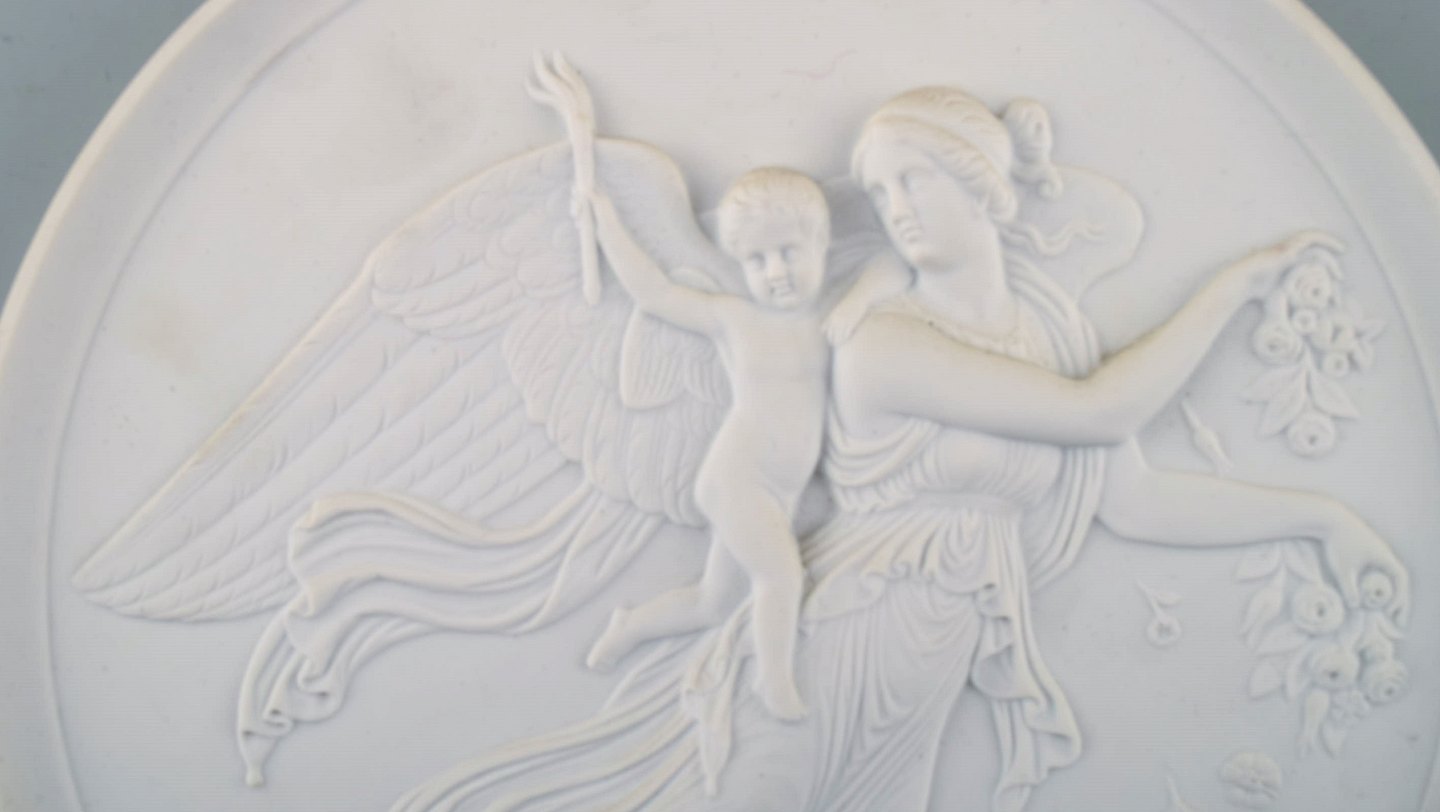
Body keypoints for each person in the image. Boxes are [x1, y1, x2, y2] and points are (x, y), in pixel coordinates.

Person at [392, 86, 1408, 812]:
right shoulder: (885, 345)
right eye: (881, 195)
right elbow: (1102, 411)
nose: (899, 211)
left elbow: (1135, 502)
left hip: (928, 675)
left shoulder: (1044, 336)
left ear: (985, 185)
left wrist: (1322, 516)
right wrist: (1231, 291)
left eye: (914, 179)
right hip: (843, 641)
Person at [582, 166, 904, 720]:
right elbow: (654, 293)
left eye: (787, 252)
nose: (774, 272)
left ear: (822, 242)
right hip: (738, 479)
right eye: (756, 260)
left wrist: (858, 302)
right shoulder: (735, 319)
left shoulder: (830, 311)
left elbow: (895, 265)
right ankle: (773, 684)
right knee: (781, 576)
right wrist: (604, 219)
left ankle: (630, 626)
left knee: (712, 603)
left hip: (785, 490)